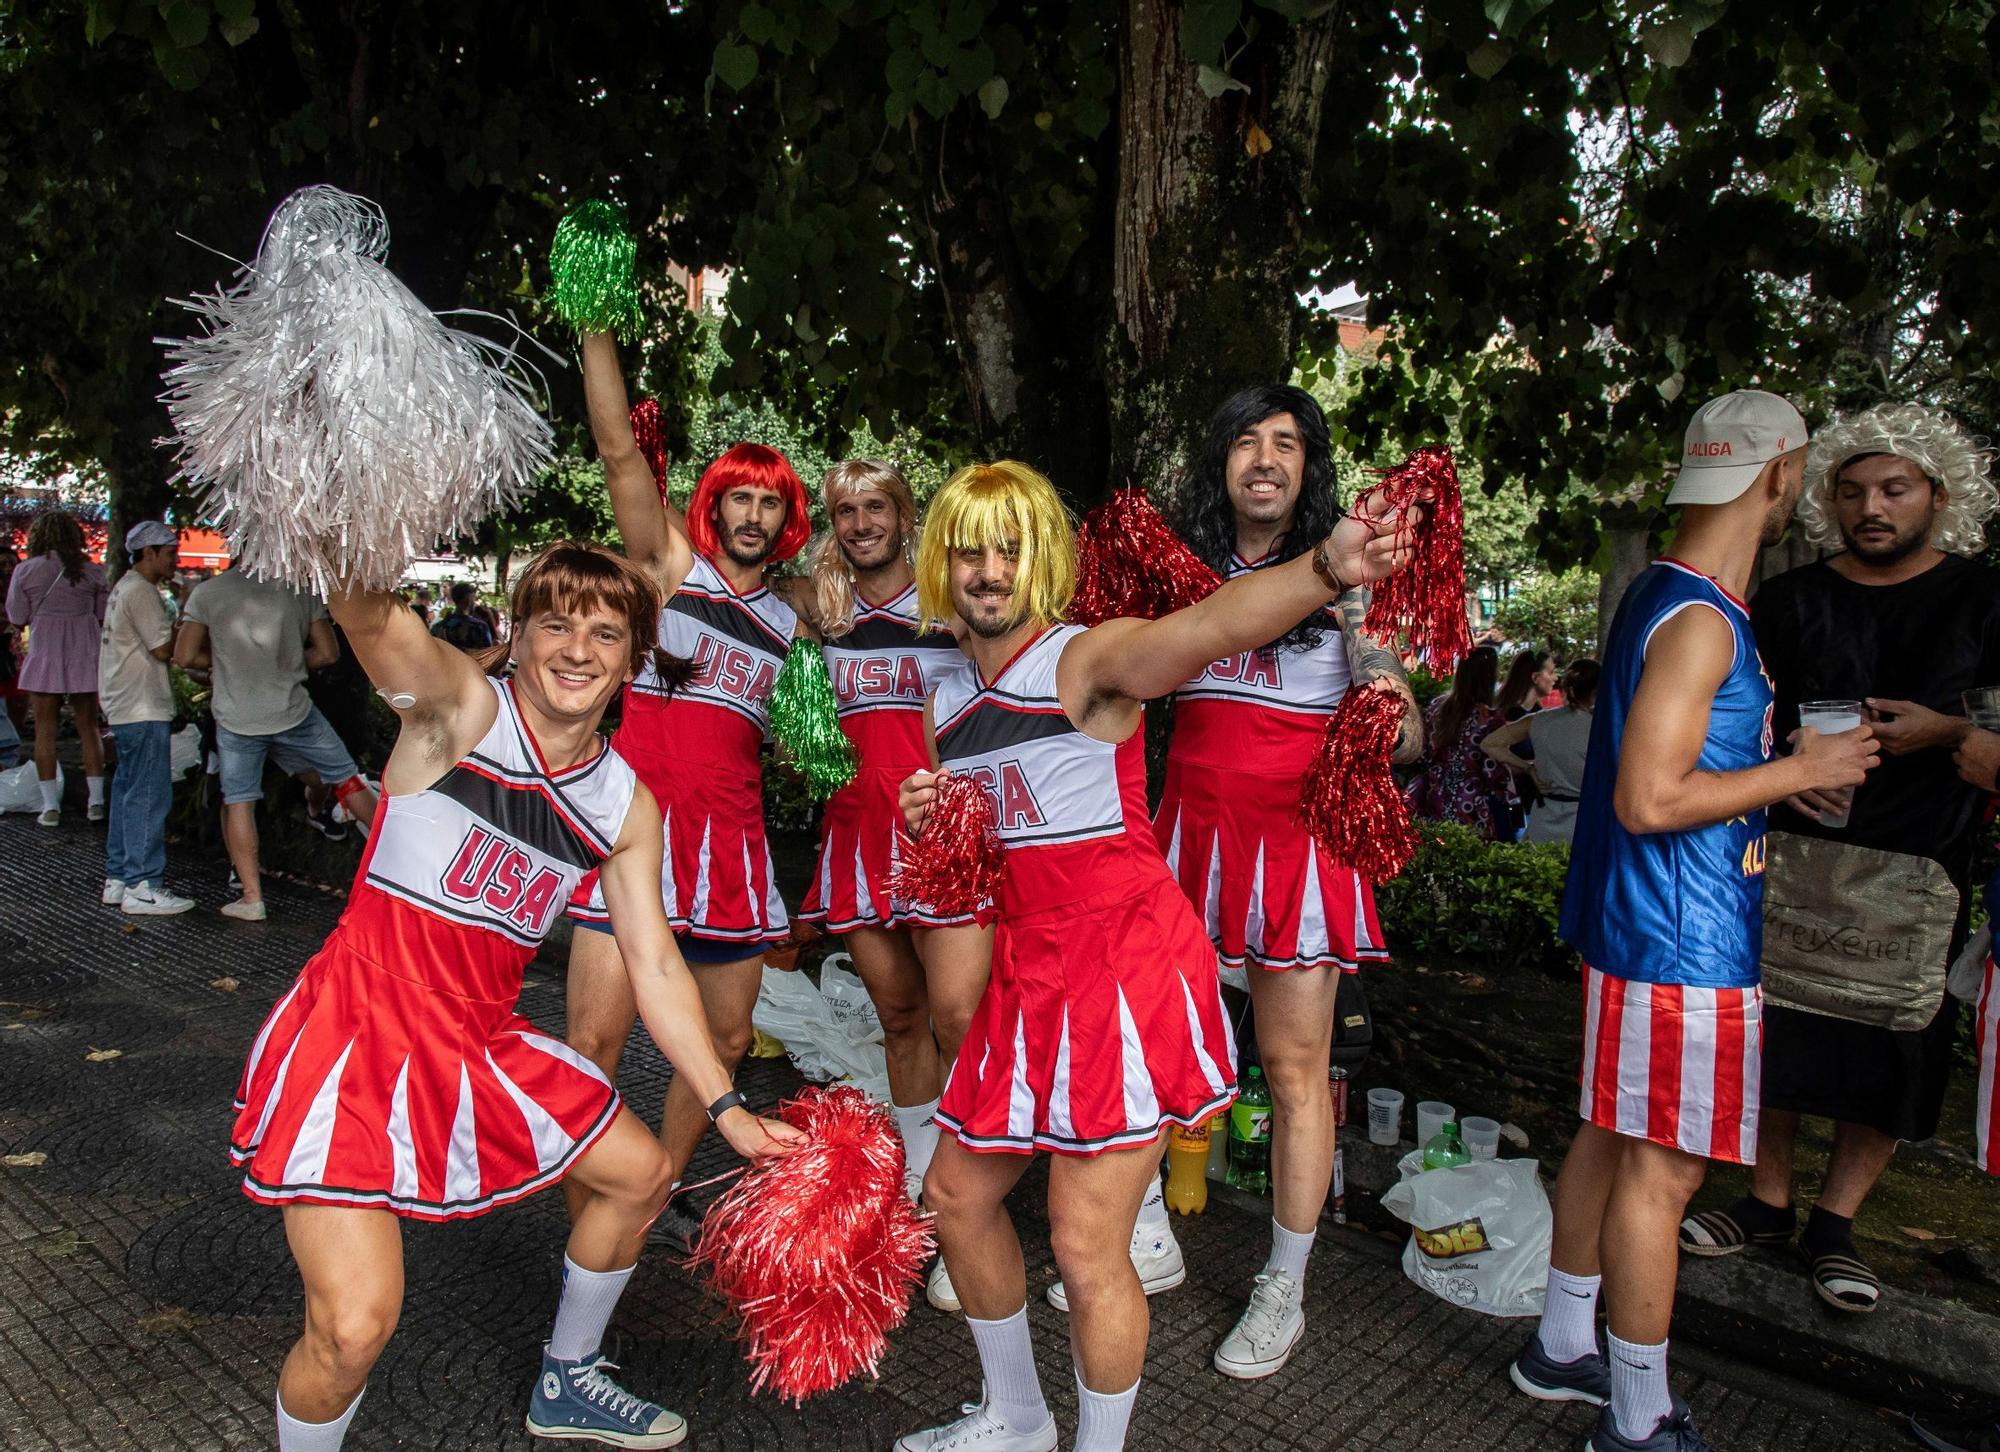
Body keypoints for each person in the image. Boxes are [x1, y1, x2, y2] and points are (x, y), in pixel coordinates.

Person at [894, 459, 1421, 1452]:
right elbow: (976, 874)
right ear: (942, 563)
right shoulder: (944, 706)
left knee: (1084, 1246)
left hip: (1122, 978)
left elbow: (1208, 628)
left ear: (1040, 560)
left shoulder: (1088, 660)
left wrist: (1324, 564)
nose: (987, 569)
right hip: (1027, 979)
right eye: (968, 549)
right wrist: (928, 821)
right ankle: (1014, 1418)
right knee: (954, 1200)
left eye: (1009, 548)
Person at [229, 540, 801, 1452]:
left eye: (606, 633)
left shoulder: (623, 804)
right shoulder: (458, 711)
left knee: (643, 1173)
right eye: (555, 624)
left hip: (479, 1038)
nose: (578, 650)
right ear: (519, 634)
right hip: (358, 1032)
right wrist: (341, 509)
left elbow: (654, 966)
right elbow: (370, 616)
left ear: (634, 655)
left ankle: (569, 1376)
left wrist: (730, 1111)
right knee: (351, 1328)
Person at [1508, 391, 1879, 1452]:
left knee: (1608, 1135)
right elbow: (1647, 799)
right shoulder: (1704, 616)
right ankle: (1636, 1421)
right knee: (1659, 1175)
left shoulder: (1662, 596)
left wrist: (1772, 780)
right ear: (1776, 477)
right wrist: (1796, 767)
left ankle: (1560, 1348)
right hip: (1682, 940)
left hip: (1643, 931)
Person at [1038, 385, 1423, 1376]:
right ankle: (1147, 1230)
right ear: (1220, 463)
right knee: (1151, 1046)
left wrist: (1388, 712)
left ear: (1309, 466)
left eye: (1285, 443)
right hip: (1184, 847)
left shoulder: (1354, 578)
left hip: (1298, 851)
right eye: (1244, 440)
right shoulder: (1178, 573)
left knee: (1295, 1073)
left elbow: (1408, 721)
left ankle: (1282, 1287)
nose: (1263, 458)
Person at [1675, 401, 2000, 1317]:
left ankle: (1837, 1227)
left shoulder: (1983, 601)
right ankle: (1767, 1202)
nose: (1873, 508)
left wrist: (1945, 732)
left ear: (1938, 493)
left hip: (1920, 870)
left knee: (1887, 1049)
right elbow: (1735, 729)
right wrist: (1782, 773)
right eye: (1853, 491)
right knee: (1780, 1036)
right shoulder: (1790, 599)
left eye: (1894, 490)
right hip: (1794, 853)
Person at [563, 328, 811, 1236]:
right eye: (737, 497)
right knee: (593, 1046)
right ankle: (589, 1205)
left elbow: (791, 748)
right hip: (637, 839)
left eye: (769, 503)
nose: (752, 515)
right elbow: (620, 452)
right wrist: (597, 326)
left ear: (788, 520)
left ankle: (653, 1193)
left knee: (727, 1045)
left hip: (736, 852)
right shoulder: (672, 569)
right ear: (716, 505)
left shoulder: (792, 624)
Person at [786, 459, 991, 1310]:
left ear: (906, 515)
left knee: (958, 1020)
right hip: (857, 844)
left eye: (876, 506)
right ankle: (926, 1205)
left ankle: (973, 1203)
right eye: (845, 511)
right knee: (901, 1021)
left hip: (940, 844)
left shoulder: (953, 604)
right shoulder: (825, 616)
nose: (862, 522)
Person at [175, 567, 378, 921]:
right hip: (294, 710)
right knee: (347, 777)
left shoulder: (208, 592)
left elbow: (185, 656)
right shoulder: (299, 590)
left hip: (237, 716)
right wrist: (287, 663)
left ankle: (252, 898)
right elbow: (329, 653)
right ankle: (398, 863)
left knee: (239, 799)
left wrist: (229, 663)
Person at [97, 521, 194, 916]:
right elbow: (162, 650)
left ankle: (119, 877)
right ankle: (143, 884)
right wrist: (188, 611)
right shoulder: (142, 591)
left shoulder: (125, 586)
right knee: (149, 794)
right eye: (170, 553)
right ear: (149, 553)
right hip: (142, 704)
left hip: (125, 703)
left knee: (127, 791)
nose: (176, 560)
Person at [5, 509, 108, 826]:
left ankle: (50, 807)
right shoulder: (92, 572)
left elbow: (16, 616)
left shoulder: (25, 571)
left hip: (45, 653)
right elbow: (103, 615)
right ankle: (97, 802)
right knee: (89, 728)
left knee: (44, 731)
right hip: (84, 653)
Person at [1482, 659, 1600, 847]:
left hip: (1543, 818)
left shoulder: (1539, 719)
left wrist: (1528, 768)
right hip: (1587, 820)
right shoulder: (1604, 727)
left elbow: (1490, 743)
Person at [1409, 643, 1515, 838]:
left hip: (1436, 795)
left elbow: (1421, 754)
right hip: (1472, 804)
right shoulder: (1490, 719)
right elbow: (1493, 770)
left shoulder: (1437, 708)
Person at [429, 580, 497, 650]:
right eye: (474, 599)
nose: (475, 603)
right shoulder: (479, 627)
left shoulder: (438, 627)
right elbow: (487, 654)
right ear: (469, 599)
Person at [1500, 648, 1558, 719]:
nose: (1556, 678)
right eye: (1551, 672)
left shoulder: (1537, 713)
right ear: (1535, 677)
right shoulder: (1507, 717)